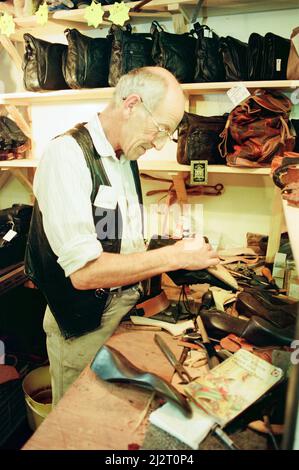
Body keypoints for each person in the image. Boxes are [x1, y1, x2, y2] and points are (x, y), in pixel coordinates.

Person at [25, 66, 219, 405]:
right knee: (79, 427)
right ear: (131, 104)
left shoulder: (123, 156)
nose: (159, 143)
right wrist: (173, 257)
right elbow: (85, 273)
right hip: (84, 326)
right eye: (160, 129)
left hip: (123, 314)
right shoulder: (67, 156)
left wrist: (167, 243)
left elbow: (108, 235)